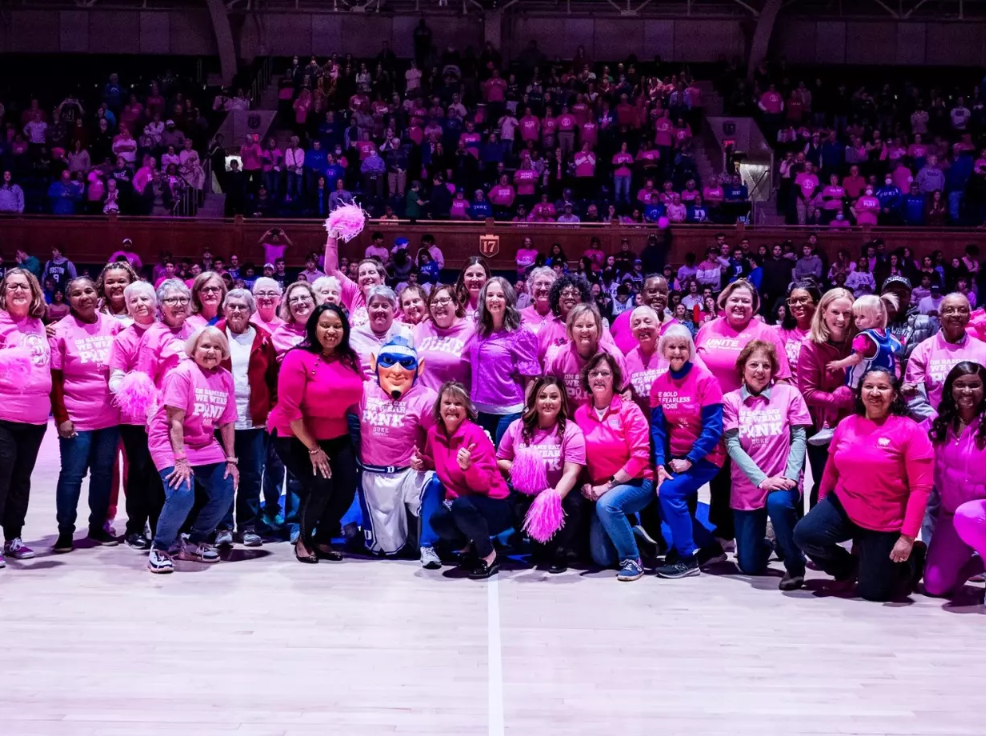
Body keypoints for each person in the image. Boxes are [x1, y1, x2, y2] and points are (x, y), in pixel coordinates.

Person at [793, 367, 933, 602]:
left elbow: (921, 489)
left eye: (883, 387)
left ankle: (913, 559)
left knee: (874, 593)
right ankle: (848, 568)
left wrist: (907, 538)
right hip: (845, 506)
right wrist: (820, 506)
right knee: (805, 534)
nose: (875, 392)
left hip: (884, 519)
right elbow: (830, 470)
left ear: (895, 394)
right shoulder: (847, 424)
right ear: (860, 393)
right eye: (868, 386)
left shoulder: (911, 431)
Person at [694, 279, 791, 551]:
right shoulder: (706, 329)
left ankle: (762, 528)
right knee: (720, 472)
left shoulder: (766, 332)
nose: (739, 305)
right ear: (723, 302)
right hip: (711, 416)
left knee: (749, 472)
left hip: (752, 416)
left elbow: (782, 377)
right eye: (734, 299)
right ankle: (723, 530)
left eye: (746, 301)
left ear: (754, 305)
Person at [268, 304, 363, 563]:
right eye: (325, 325)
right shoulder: (297, 357)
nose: (331, 331)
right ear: (313, 328)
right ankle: (304, 539)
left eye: (337, 326)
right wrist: (313, 448)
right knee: (320, 485)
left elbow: (356, 395)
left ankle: (322, 538)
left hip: (336, 432)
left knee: (346, 486)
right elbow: (289, 407)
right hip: (295, 434)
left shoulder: (350, 357)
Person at [145, 327, 239, 574]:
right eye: (206, 346)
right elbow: (174, 422)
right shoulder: (182, 373)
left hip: (204, 441)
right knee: (183, 493)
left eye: (217, 348)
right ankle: (161, 548)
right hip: (168, 439)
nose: (211, 352)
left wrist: (231, 459)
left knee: (226, 487)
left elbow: (228, 421)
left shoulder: (225, 378)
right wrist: (180, 459)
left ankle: (195, 541)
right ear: (193, 350)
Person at [723, 340, 812, 590]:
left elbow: (798, 436)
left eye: (766, 365)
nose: (760, 370)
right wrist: (761, 480)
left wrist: (792, 476)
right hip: (748, 486)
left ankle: (795, 565)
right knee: (749, 565)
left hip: (783, 480)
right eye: (754, 364)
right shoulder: (730, 401)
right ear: (742, 368)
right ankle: (771, 540)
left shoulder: (790, 394)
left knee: (779, 503)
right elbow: (732, 446)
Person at [50, 277, 124, 553]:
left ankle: (97, 527)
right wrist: (61, 417)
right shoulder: (60, 331)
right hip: (77, 417)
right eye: (77, 293)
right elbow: (55, 379)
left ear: (98, 294)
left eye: (89, 291)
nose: (84, 297)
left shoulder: (114, 326)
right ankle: (65, 532)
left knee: (104, 474)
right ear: (69, 299)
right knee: (71, 475)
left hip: (110, 418)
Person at [413, 381, 511, 579]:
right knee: (438, 521)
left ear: (467, 410)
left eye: (458, 404)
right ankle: (468, 548)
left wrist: (469, 468)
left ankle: (488, 556)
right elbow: (436, 462)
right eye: (447, 402)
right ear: (439, 407)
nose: (451, 408)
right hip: (462, 505)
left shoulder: (476, 435)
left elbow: (484, 484)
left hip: (494, 504)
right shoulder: (434, 433)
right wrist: (422, 462)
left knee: (461, 506)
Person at [649, 325, 726, 578]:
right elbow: (658, 429)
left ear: (690, 350)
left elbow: (714, 429)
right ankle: (710, 547)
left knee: (670, 493)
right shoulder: (659, 384)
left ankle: (686, 558)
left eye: (683, 346)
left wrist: (691, 460)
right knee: (663, 502)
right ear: (664, 350)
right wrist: (660, 465)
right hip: (675, 457)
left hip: (706, 456)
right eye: (672, 347)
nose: (677, 351)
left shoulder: (706, 381)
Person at [574, 352, 653, 581]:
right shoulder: (580, 414)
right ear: (587, 379)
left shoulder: (630, 410)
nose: (599, 377)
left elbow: (639, 458)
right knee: (602, 558)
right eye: (594, 373)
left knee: (608, 505)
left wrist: (607, 486)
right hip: (599, 489)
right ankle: (633, 535)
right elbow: (580, 455)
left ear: (614, 378)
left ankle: (632, 560)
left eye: (605, 373)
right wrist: (587, 482)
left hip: (637, 482)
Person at [358, 337, 437, 560]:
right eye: (388, 361)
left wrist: (427, 461)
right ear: (374, 363)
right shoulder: (363, 391)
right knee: (383, 548)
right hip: (373, 474)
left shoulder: (427, 398)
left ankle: (426, 543)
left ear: (419, 367)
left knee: (433, 484)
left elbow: (438, 438)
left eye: (406, 363)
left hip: (409, 473)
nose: (396, 370)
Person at [497, 376, 585, 573]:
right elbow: (500, 458)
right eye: (542, 396)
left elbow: (572, 472)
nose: (548, 401)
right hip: (528, 493)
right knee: (514, 504)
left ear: (562, 400)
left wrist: (552, 498)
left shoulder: (572, 431)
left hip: (559, 495)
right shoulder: (517, 427)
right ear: (534, 400)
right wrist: (518, 470)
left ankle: (561, 550)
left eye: (554, 396)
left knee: (574, 503)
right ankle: (538, 543)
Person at [213, 289, 278, 548]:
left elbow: (273, 379)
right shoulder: (214, 335)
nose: (237, 311)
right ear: (224, 309)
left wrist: (272, 409)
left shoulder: (264, 339)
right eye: (232, 306)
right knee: (223, 475)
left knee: (252, 475)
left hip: (254, 420)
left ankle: (248, 525)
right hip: (220, 420)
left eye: (242, 307)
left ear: (252, 311)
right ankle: (223, 526)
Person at [0, 269, 51, 565]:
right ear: (3, 292)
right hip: (4, 415)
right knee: (1, 477)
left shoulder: (38, 324)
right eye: (12, 286)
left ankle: (13, 538)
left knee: (21, 479)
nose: (18, 290)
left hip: (35, 420)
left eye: (24, 286)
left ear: (33, 292)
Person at [107, 281, 162, 550]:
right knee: (139, 472)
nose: (140, 304)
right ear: (127, 307)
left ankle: (162, 526)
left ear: (155, 302)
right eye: (134, 301)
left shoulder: (168, 332)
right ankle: (136, 527)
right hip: (135, 420)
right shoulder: (123, 339)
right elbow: (115, 379)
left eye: (145, 299)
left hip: (166, 418)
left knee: (161, 474)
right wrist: (138, 395)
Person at [924, 362, 986, 598]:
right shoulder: (937, 425)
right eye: (960, 385)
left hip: (981, 514)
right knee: (934, 586)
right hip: (951, 517)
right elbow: (906, 439)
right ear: (950, 388)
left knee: (968, 514)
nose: (967, 391)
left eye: (974, 385)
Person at [797, 288, 855, 507]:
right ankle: (815, 537)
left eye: (847, 313)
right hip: (822, 427)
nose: (841, 319)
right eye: (835, 312)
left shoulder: (861, 340)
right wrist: (842, 399)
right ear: (823, 312)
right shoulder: (810, 345)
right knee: (825, 482)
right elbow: (808, 393)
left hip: (858, 424)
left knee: (853, 482)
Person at [468, 277, 541, 445]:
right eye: (490, 295)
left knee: (501, 463)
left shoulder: (521, 333)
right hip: (479, 410)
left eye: (500, 295)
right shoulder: (479, 329)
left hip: (508, 411)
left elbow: (531, 376)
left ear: (508, 299)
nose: (494, 299)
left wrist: (527, 410)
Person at [904, 293, 986, 421]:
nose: (956, 314)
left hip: (978, 430)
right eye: (949, 310)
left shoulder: (983, 350)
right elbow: (915, 400)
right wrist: (941, 423)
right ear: (939, 316)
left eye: (962, 310)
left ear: (969, 316)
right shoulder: (922, 351)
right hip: (936, 430)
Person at [545, 303, 626, 409]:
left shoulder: (614, 355)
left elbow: (625, 391)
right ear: (570, 329)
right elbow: (550, 387)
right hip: (571, 420)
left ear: (598, 328)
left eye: (589, 325)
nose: (584, 330)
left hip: (605, 419)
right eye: (579, 326)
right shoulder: (561, 356)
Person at [824, 294, 901, 397]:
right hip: (881, 382)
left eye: (862, 317)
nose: (857, 321)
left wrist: (838, 364)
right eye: (855, 317)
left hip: (860, 383)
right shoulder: (886, 334)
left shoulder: (864, 337)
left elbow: (856, 358)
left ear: (878, 317)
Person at [135, 280, 196, 388]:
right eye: (171, 300)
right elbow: (145, 380)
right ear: (161, 305)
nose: (179, 304)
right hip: (164, 401)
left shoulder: (194, 330)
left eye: (183, 299)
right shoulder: (153, 335)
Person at [413, 285, 472, 393]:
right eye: (434, 302)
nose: (439, 305)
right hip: (423, 404)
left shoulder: (471, 331)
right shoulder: (421, 327)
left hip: (453, 404)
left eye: (444, 300)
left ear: (456, 305)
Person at [323, 233, 386, 328]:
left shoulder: (393, 300)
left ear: (382, 278)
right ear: (358, 282)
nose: (367, 276)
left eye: (371, 272)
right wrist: (332, 233)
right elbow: (331, 270)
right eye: (362, 274)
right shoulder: (355, 293)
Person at [349, 286, 413, 375]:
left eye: (385, 306)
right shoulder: (353, 336)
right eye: (375, 306)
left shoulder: (405, 334)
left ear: (394, 310)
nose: (380, 310)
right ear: (367, 309)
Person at [609, 275, 672, 355]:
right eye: (652, 291)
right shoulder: (622, 319)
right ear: (641, 295)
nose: (658, 296)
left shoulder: (675, 327)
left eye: (663, 292)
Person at [774, 281, 820, 376]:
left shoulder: (826, 334)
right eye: (793, 301)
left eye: (803, 299)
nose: (798, 305)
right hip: (787, 388)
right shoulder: (780, 332)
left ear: (816, 303)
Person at [271, 282, 316, 356]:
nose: (300, 302)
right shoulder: (280, 334)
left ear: (314, 300)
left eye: (304, 297)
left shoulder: (325, 328)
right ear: (288, 306)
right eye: (294, 299)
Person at [519, 267, 557, 334]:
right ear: (531, 288)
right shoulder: (520, 316)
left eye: (547, 284)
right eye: (539, 284)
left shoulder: (560, 315)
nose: (543, 288)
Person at [455, 256, 491, 320]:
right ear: (463, 279)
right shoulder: (455, 304)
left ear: (487, 278)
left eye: (479, 275)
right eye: (470, 275)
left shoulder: (494, 303)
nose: (474, 279)